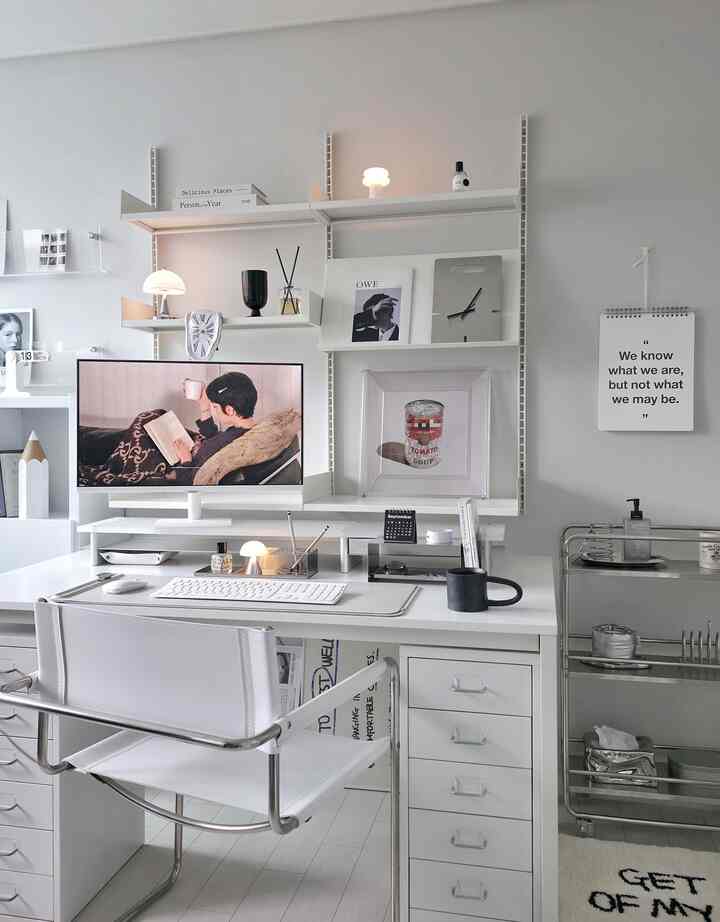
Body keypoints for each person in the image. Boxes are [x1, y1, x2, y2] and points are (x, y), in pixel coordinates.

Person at [172, 371, 258, 479]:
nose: (214, 410)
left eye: (215, 407)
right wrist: (204, 407)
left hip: (186, 469)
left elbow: (192, 483)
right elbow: (216, 438)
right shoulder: (246, 431)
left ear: (230, 410)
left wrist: (185, 460)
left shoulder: (228, 443)